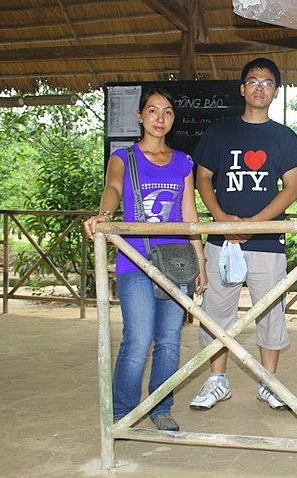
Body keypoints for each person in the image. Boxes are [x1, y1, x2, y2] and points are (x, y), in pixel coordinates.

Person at [84, 87, 208, 431]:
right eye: (153, 111)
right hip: (135, 261)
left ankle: (160, 406)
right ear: (140, 116)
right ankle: (122, 413)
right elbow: (112, 187)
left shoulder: (184, 162)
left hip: (176, 262)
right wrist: (104, 214)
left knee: (169, 340)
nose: (160, 119)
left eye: (167, 112)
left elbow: (188, 214)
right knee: (138, 339)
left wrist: (200, 262)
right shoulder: (123, 158)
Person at [189, 58, 297, 411]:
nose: (258, 87)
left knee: (270, 311)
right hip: (221, 241)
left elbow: (292, 187)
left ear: (276, 91)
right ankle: (217, 380)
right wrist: (221, 219)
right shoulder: (219, 132)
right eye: (252, 81)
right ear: (242, 88)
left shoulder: (284, 136)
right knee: (216, 311)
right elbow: (203, 177)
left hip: (268, 242)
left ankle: (268, 383)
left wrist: (255, 224)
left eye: (266, 83)